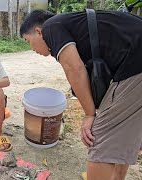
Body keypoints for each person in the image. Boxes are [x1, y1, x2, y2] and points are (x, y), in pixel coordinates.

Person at [20, 9, 142, 180]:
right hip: (135, 63)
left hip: (136, 63)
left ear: (39, 32)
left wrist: (89, 114)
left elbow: (74, 69)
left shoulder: (51, 27)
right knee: (122, 137)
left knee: (99, 139)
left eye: (28, 41)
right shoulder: (73, 24)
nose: (31, 48)